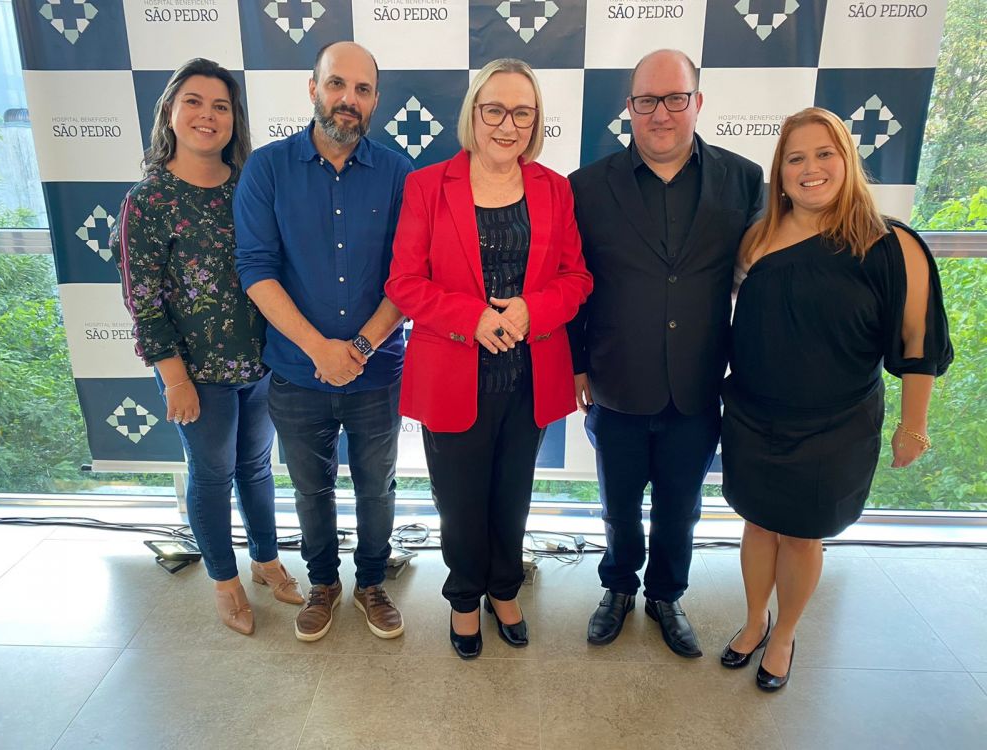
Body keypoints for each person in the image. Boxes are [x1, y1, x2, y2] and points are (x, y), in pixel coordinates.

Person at [720, 107, 953, 690]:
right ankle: (753, 622)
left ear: (847, 161)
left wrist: (914, 425)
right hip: (752, 415)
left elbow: (919, 341)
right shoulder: (757, 236)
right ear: (781, 172)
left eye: (824, 153)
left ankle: (784, 635)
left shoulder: (891, 244)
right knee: (758, 524)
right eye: (795, 158)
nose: (811, 168)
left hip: (837, 424)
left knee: (802, 534)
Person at [385, 58, 592, 659]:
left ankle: (505, 588)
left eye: (521, 112)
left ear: (536, 121)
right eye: (494, 109)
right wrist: (471, 317)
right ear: (473, 114)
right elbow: (403, 282)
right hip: (452, 372)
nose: (508, 124)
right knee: (460, 501)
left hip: (527, 374)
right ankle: (464, 597)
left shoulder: (555, 187)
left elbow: (576, 277)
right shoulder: (427, 185)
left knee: (512, 495)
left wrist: (532, 309)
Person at [567, 49, 764, 655]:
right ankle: (619, 588)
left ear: (697, 103)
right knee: (618, 507)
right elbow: (570, 283)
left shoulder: (745, 180)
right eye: (646, 100)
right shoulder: (586, 188)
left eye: (674, 98)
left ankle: (665, 595)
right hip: (616, 381)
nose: (660, 113)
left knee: (682, 510)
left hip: (699, 383)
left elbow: (765, 278)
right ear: (628, 109)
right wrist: (576, 364)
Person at [112, 58, 303, 637]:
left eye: (221, 106)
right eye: (193, 101)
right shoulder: (148, 201)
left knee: (257, 468)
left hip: (260, 362)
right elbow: (143, 301)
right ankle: (224, 580)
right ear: (171, 111)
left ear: (234, 120)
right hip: (195, 371)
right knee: (213, 472)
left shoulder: (251, 186)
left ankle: (265, 559)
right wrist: (174, 379)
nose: (207, 115)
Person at [234, 42, 412, 642]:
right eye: (337, 85)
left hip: (377, 371)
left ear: (375, 101)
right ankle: (323, 585)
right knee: (311, 488)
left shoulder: (396, 174)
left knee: (376, 486)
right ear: (313, 89)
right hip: (294, 371)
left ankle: (369, 583)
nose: (348, 100)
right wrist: (320, 350)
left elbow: (409, 278)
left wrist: (357, 350)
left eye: (362, 90)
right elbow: (256, 269)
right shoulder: (267, 168)